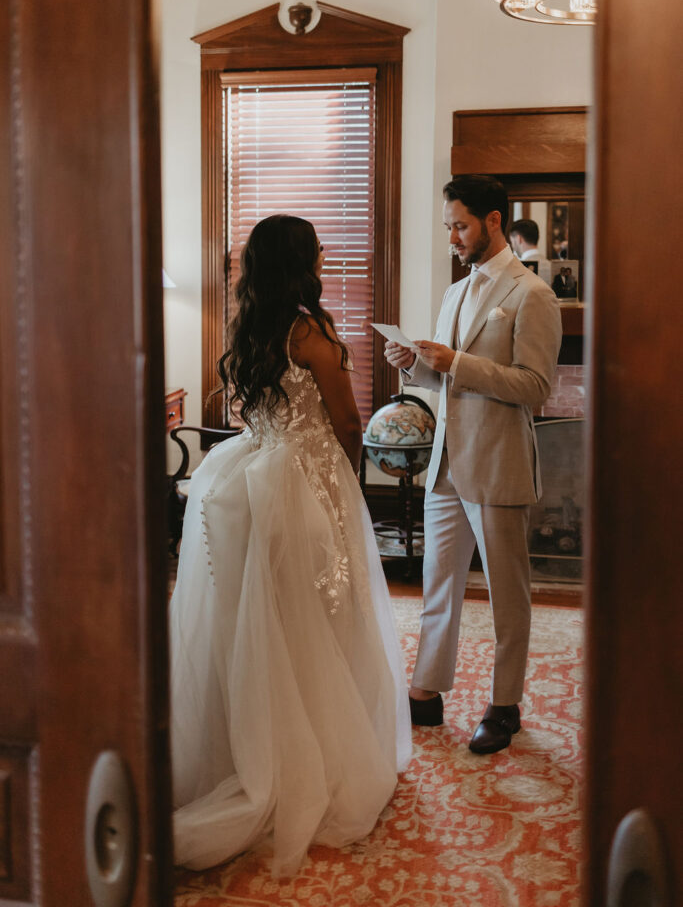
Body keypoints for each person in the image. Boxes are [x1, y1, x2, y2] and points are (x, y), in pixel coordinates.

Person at [170, 214, 411, 877]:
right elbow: (347, 419)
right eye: (318, 249)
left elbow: (249, 413)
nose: (327, 254)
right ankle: (314, 759)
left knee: (265, 617)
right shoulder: (312, 331)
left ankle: (256, 743)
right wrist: (348, 480)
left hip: (254, 480)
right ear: (301, 261)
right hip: (306, 484)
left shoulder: (250, 327)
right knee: (323, 616)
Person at [385, 176, 562, 754]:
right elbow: (445, 376)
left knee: (508, 594)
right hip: (446, 464)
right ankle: (427, 692)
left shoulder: (532, 294)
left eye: (459, 226)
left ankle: (504, 705)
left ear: (491, 221)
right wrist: (414, 364)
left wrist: (457, 360)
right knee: (439, 585)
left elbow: (535, 388)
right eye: (447, 228)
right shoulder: (455, 294)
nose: (453, 239)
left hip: (498, 464)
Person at [508, 218, 551, 285]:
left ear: (518, 239)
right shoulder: (550, 265)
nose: (512, 246)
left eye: (512, 242)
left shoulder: (517, 270)